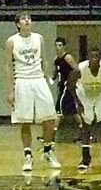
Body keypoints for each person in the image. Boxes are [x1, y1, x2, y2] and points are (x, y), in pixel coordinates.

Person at [5, 12, 59, 173]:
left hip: (38, 79)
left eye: (29, 18)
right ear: (18, 24)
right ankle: (28, 156)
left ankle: (48, 151)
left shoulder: (39, 38)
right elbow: (8, 66)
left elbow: (44, 59)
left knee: (50, 119)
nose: (27, 20)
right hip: (22, 80)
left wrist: (48, 77)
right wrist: (10, 90)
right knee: (25, 121)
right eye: (23, 19)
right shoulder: (11, 41)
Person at [75, 45, 101, 172]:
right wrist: (78, 103)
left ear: (100, 58)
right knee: (86, 123)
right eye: (91, 56)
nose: (94, 58)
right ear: (88, 58)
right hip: (85, 92)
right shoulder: (80, 68)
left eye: (96, 56)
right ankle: (85, 159)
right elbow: (71, 85)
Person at [51, 36, 80, 139]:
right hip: (61, 86)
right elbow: (56, 72)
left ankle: (52, 135)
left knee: (58, 108)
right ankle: (85, 132)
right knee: (73, 111)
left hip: (67, 86)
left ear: (64, 46)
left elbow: (77, 70)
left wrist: (72, 81)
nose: (58, 47)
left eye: (60, 45)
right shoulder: (56, 59)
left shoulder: (68, 58)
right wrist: (52, 79)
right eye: (56, 45)